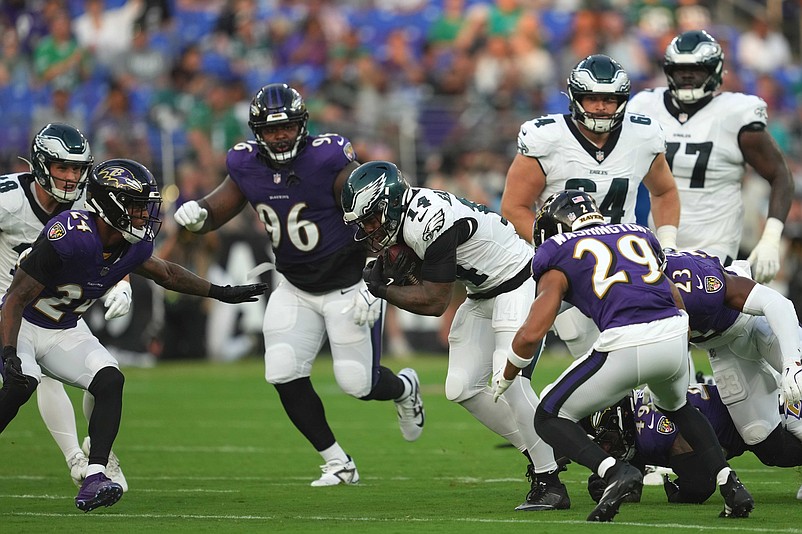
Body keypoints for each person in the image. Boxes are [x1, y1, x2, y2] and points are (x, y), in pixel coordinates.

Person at [173, 83, 424, 487]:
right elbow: (222, 205)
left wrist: (374, 278)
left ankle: (404, 387)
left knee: (359, 384)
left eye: (287, 127)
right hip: (294, 286)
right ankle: (338, 463)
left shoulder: (327, 158)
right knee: (283, 372)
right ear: (257, 131)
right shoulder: (245, 164)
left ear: (302, 125)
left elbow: (375, 214)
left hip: (347, 283)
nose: (280, 136)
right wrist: (198, 213)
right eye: (271, 130)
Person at [0, 158, 267, 512]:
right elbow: (16, 298)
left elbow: (167, 273)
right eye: (136, 206)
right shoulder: (71, 235)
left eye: (146, 206)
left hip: (64, 326)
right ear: (109, 204)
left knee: (110, 379)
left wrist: (220, 292)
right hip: (25, 321)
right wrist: (7, 352)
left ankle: (95, 475)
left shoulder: (133, 243)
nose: (144, 214)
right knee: (23, 383)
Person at [493, 189, 753, 521]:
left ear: (554, 228)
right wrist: (678, 340)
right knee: (678, 408)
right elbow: (673, 295)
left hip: (627, 339)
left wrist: (508, 373)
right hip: (674, 334)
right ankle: (731, 485)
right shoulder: (638, 233)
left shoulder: (557, 252)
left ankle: (615, 472)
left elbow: (532, 332)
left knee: (547, 414)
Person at [342, 160, 568, 511]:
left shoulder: (429, 220)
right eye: (364, 223)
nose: (370, 230)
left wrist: (381, 291)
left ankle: (549, 480)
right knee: (461, 387)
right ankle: (544, 448)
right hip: (483, 291)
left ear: (390, 203)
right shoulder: (404, 216)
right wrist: (380, 277)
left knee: (509, 380)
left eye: (372, 219)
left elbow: (434, 302)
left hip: (519, 280)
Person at [500, 54, 680, 358]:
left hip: (627, 263)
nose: (600, 106)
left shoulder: (643, 135)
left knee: (655, 353)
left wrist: (667, 244)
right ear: (575, 98)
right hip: (572, 267)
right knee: (595, 356)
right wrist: (555, 250)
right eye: (592, 98)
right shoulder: (547, 138)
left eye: (609, 99)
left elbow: (665, 192)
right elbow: (514, 206)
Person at [0, 123, 130, 490]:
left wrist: (123, 283)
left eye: (77, 168)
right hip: (8, 307)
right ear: (41, 165)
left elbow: (123, 244)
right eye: (62, 167)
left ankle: (90, 458)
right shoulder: (8, 198)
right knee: (23, 381)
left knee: (106, 378)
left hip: (57, 313)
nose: (71, 177)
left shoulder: (91, 201)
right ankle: (78, 457)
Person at [627, 30, 794, 282]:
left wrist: (771, 238)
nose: (687, 75)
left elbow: (780, 175)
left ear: (715, 71)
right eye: (680, 68)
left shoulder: (735, 113)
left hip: (715, 244)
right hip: (659, 239)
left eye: (697, 69)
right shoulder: (646, 106)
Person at [582, 383, 802, 504]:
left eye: (607, 441)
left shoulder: (649, 430)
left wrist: (680, 495)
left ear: (620, 421)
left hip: (769, 408)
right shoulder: (637, 419)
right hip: (749, 404)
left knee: (774, 452)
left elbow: (700, 483)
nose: (606, 450)